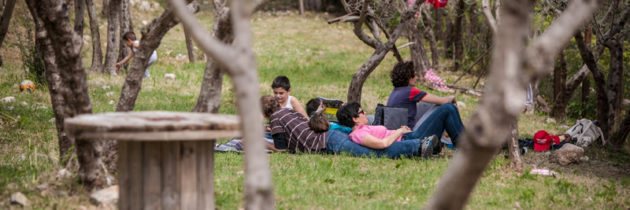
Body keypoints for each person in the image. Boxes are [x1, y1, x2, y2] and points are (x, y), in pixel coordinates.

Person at [261, 95, 432, 158]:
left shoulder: (275, 119)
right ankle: (419, 143)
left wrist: (263, 143)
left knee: (373, 153)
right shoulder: (287, 112)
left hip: (328, 142)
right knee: (372, 148)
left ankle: (417, 146)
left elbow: (281, 149)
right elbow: (300, 127)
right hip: (330, 137)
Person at [337, 102, 459, 153]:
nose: (365, 114)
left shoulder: (362, 129)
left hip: (409, 136)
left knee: (448, 109)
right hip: (411, 140)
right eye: (362, 112)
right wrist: (400, 131)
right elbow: (382, 144)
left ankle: (463, 144)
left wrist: (401, 131)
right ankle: (465, 145)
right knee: (447, 108)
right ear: (355, 119)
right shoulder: (358, 134)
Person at [387, 61, 457, 129]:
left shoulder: (395, 91)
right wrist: (452, 99)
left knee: (426, 103)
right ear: (409, 77)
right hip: (409, 133)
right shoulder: (410, 91)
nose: (417, 78)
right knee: (443, 106)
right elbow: (442, 101)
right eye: (415, 75)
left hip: (396, 130)